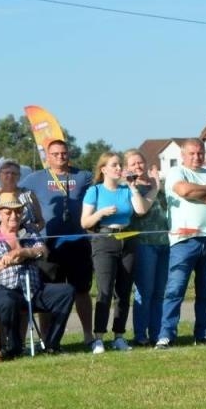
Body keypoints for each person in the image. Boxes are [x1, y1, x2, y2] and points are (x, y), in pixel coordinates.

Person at [0, 192, 75, 358]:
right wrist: (4, 262)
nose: (14, 216)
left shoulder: (29, 231)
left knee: (66, 291)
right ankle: (13, 348)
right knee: (8, 300)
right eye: (9, 212)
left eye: (18, 211)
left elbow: (44, 251)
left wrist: (26, 251)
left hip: (32, 290)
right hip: (0, 291)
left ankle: (52, 345)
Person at [22, 140, 96, 351]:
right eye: (55, 154)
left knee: (82, 290)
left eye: (63, 153)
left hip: (78, 242)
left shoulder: (82, 176)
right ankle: (47, 339)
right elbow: (16, 194)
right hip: (48, 246)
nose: (60, 157)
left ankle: (88, 336)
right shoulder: (35, 179)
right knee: (47, 293)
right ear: (47, 156)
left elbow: (102, 181)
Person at [158, 140, 206, 349]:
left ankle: (203, 332)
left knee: (205, 291)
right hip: (183, 241)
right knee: (175, 289)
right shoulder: (176, 172)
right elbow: (184, 191)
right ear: (183, 155)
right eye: (192, 153)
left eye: (200, 153)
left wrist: (198, 194)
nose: (197, 157)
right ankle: (167, 334)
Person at [81, 151, 148, 354]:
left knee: (124, 291)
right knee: (105, 290)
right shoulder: (95, 191)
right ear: (104, 170)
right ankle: (99, 337)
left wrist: (133, 188)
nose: (120, 168)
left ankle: (119, 336)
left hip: (127, 239)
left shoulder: (126, 189)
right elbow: (84, 222)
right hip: (104, 240)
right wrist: (100, 213)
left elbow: (141, 210)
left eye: (120, 165)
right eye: (115, 165)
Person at [123, 149, 169, 347]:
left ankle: (157, 333)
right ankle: (141, 334)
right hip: (144, 245)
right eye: (133, 164)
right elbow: (141, 211)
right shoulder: (129, 188)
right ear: (127, 168)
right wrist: (155, 188)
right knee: (145, 291)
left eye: (140, 162)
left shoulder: (157, 185)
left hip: (164, 243)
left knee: (160, 292)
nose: (138, 167)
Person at [0, 158, 43, 234]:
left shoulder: (28, 195)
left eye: (14, 173)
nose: (10, 176)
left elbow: (41, 221)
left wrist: (31, 231)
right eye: (6, 173)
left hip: (25, 240)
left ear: (19, 177)